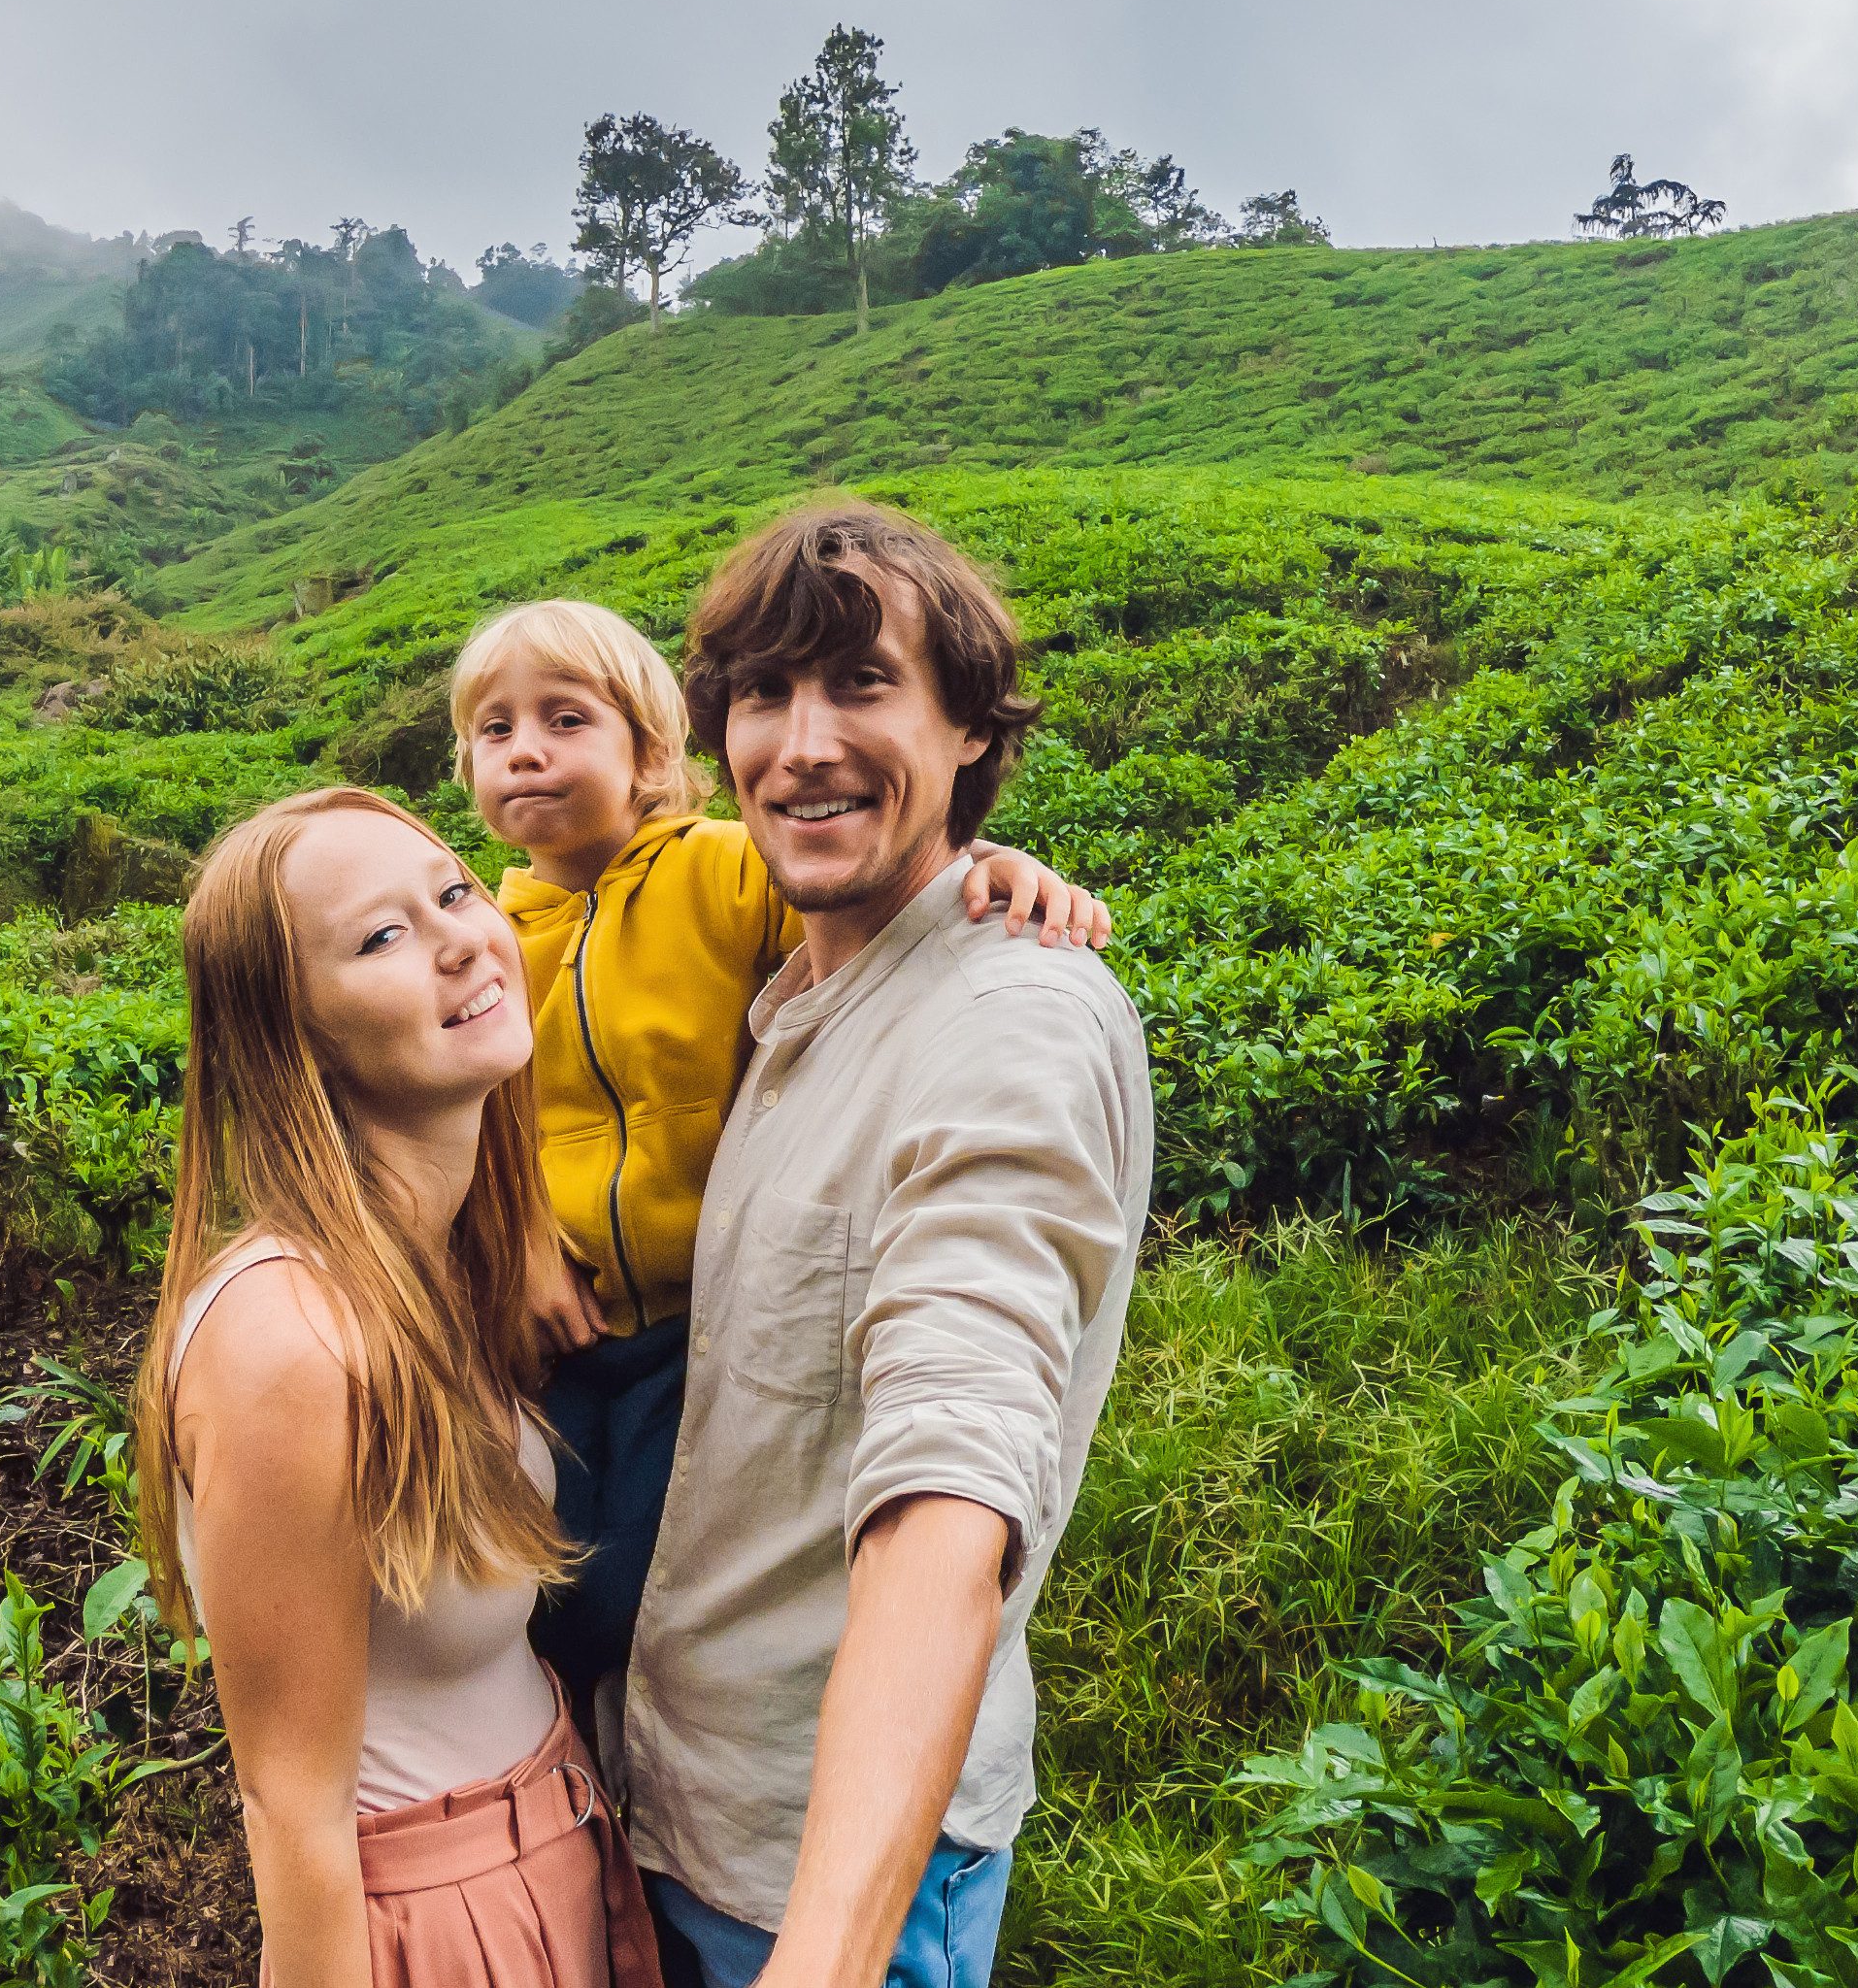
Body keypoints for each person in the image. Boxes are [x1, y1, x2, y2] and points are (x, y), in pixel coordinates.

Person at [620, 507, 1153, 1988]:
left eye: (863, 684)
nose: (801, 742)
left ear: (971, 722)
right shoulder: (780, 993)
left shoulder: (1010, 1027)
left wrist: (829, 1954)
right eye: (764, 694)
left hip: (826, 1878)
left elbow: (952, 1478)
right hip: (675, 1803)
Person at [446, 600, 1111, 1739]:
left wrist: (998, 868)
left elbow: (875, 879)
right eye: (494, 729)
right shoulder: (491, 929)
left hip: (696, 1326)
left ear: (652, 753)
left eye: (565, 718)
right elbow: (470, 1113)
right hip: (562, 1330)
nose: (526, 750)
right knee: (529, 1583)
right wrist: (513, 1239)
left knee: (630, 1593)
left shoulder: (723, 868)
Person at [134, 786, 659, 1988]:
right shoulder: (291, 1336)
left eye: (454, 891)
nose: (463, 936)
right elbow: (292, 1806)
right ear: (297, 1033)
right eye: (381, 936)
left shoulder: (442, 1264)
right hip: (433, 1917)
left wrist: (960, 875)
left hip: (555, 1845)